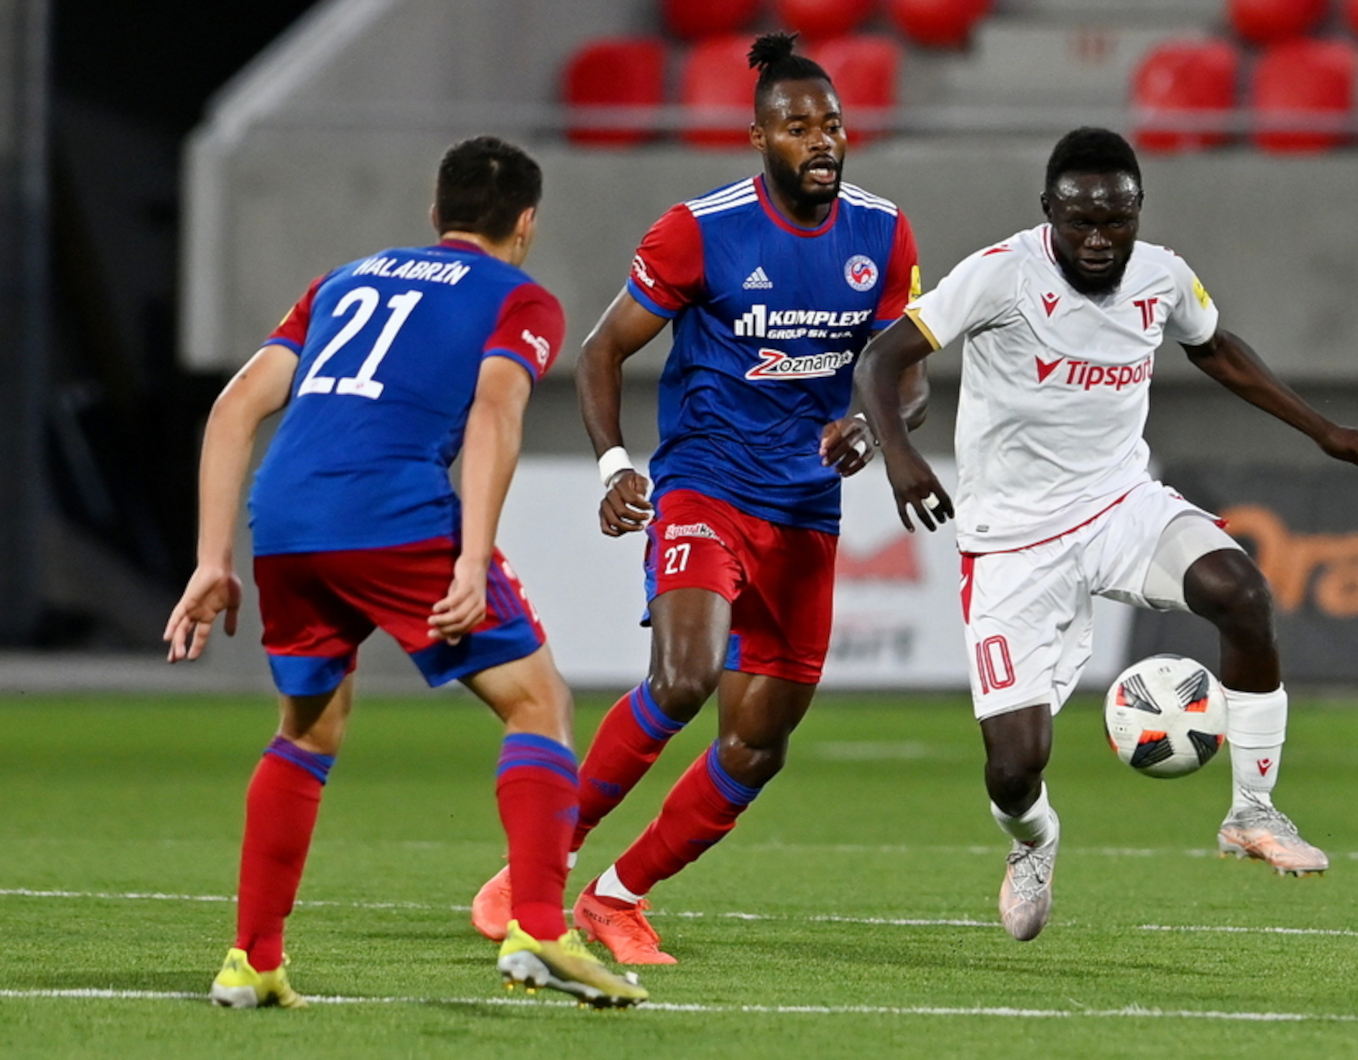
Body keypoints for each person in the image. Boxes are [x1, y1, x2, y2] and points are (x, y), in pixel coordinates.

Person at [854, 127, 1358, 942]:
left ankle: (1253, 810)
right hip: (1011, 540)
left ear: (1138, 208)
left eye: (1117, 219)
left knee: (1242, 593)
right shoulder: (1001, 274)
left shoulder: (1161, 275)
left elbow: (1217, 348)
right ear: (1049, 211)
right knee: (1013, 768)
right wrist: (899, 456)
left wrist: (1326, 431)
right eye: (1080, 221)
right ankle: (1034, 842)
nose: (1099, 239)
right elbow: (880, 357)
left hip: (1120, 505)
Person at [468, 33, 925, 964]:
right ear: (759, 138)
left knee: (760, 743)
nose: (821, 140)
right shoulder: (700, 230)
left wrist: (872, 427)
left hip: (806, 511)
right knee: (683, 677)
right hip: (705, 485)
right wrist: (614, 466)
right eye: (797, 126)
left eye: (832, 123)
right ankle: (541, 863)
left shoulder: (882, 234)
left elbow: (904, 373)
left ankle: (617, 898)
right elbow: (602, 350)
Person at [164, 136, 647, 1008]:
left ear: (436, 212)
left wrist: (211, 560)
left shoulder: (342, 281)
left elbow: (235, 407)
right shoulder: (521, 298)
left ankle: (253, 959)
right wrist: (472, 556)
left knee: (306, 732)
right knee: (539, 702)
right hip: (391, 511)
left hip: (286, 515)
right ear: (526, 224)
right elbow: (496, 410)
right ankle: (540, 929)